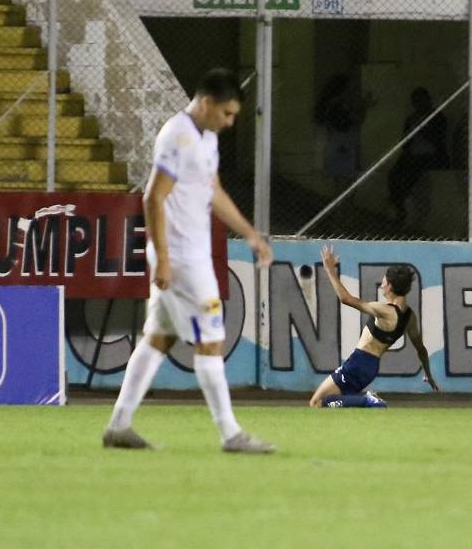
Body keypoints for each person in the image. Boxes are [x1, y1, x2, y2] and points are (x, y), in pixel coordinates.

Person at [103, 68, 275, 453]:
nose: (230, 123)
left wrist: (249, 233)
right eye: (227, 114)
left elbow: (211, 190)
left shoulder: (207, 137)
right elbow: (153, 197)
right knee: (211, 341)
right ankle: (231, 434)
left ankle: (118, 425)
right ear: (207, 102)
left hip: (187, 254)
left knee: (158, 338)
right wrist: (162, 259)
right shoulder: (177, 135)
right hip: (181, 258)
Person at [309, 245, 440, 408]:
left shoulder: (385, 311)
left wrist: (329, 270)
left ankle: (366, 399)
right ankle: (364, 400)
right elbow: (420, 349)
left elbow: (346, 299)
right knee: (338, 402)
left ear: (390, 286)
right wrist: (428, 375)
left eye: (384, 281)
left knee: (316, 403)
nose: (382, 283)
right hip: (370, 368)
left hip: (358, 363)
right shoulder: (409, 317)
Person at [388, 87, 448, 225]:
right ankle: (398, 204)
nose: (418, 105)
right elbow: (405, 142)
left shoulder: (438, 117)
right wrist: (412, 130)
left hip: (430, 156)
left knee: (412, 175)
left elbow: (438, 139)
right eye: (415, 102)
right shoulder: (411, 118)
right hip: (411, 154)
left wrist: (421, 127)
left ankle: (401, 201)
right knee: (393, 175)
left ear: (428, 101)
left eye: (421, 101)